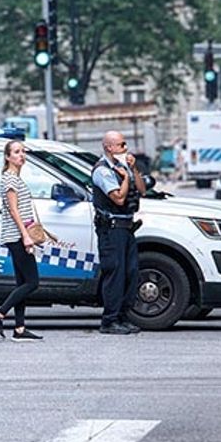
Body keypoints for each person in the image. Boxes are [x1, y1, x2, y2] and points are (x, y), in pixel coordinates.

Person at [0, 140, 43, 342]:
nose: (22, 155)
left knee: (22, 282)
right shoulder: (9, 179)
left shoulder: (15, 178)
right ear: (8, 157)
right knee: (33, 282)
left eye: (23, 152)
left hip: (18, 235)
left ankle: (19, 328)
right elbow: (13, 209)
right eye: (17, 152)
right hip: (17, 236)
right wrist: (25, 235)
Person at [91, 130, 145, 335]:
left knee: (130, 273)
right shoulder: (103, 171)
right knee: (115, 274)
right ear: (109, 148)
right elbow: (119, 199)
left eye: (125, 144)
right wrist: (124, 178)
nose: (125, 148)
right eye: (121, 145)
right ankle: (109, 320)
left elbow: (141, 190)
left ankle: (123, 316)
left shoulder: (124, 167)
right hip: (111, 230)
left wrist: (133, 170)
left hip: (127, 227)